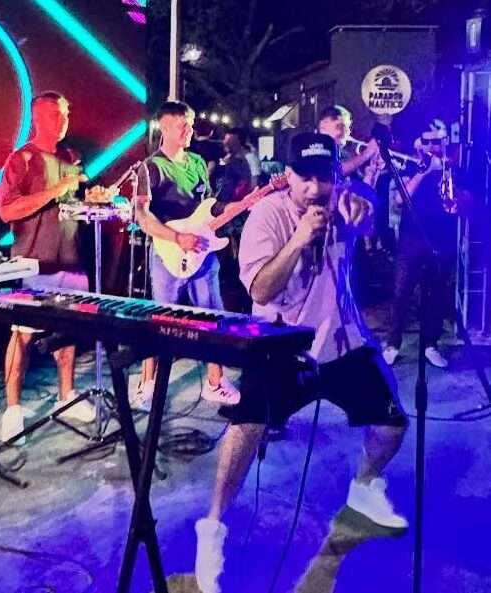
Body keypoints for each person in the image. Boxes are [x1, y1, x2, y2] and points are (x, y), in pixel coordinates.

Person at [193, 133, 408, 593]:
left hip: (343, 340)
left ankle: (364, 487)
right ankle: (212, 528)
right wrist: (298, 240)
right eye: (304, 178)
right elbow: (260, 290)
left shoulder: (342, 199)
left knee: (392, 425)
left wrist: (364, 205)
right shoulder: (266, 216)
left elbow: (367, 207)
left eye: (323, 177)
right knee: (245, 428)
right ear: (287, 175)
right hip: (281, 342)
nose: (314, 188)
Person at [0, 91, 97, 443]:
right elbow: (7, 210)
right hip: (33, 262)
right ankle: (13, 410)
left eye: (66, 114)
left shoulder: (73, 156)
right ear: (37, 118)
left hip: (71, 258)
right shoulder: (21, 158)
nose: (63, 120)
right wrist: (57, 189)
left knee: (67, 331)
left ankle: (66, 396)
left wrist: (93, 201)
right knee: (23, 335)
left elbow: (74, 204)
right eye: (56, 114)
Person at [131, 101, 241, 411]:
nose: (190, 130)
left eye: (191, 124)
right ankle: (148, 384)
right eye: (183, 125)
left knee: (212, 316)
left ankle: (215, 382)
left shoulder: (197, 162)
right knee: (160, 319)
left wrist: (234, 207)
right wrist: (177, 237)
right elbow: (143, 216)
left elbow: (207, 206)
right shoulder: (150, 167)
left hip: (202, 251)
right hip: (167, 252)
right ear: (165, 127)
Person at [382, 120, 455, 368]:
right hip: (410, 240)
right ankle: (392, 344)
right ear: (418, 144)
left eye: (437, 141)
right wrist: (424, 172)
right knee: (401, 293)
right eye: (427, 141)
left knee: (436, 293)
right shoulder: (410, 165)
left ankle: (430, 345)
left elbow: (458, 199)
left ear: (444, 142)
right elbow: (399, 199)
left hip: (441, 239)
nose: (432, 146)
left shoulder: (451, 167)